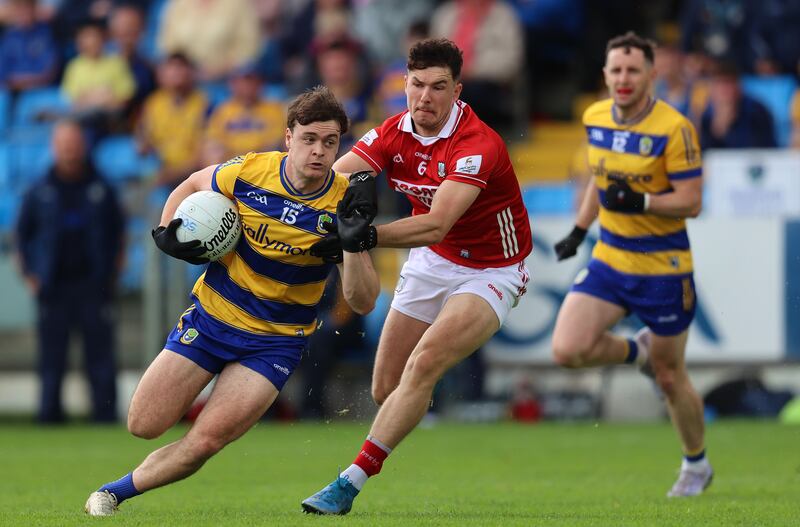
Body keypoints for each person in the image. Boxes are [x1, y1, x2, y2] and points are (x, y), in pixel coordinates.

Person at [83, 86, 380, 516]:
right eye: (310, 139)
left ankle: (112, 494)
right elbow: (192, 181)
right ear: (288, 138)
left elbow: (364, 300)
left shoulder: (343, 202)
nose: (319, 151)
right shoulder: (249, 171)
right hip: (212, 320)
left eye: (330, 142)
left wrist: (353, 245)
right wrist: (168, 230)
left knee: (207, 440)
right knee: (143, 424)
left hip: (274, 342)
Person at [301, 38, 532, 515]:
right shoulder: (390, 131)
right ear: (403, 84)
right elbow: (332, 180)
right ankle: (408, 420)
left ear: (457, 91)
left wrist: (361, 236)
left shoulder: (477, 145)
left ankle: (348, 484)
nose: (425, 97)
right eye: (417, 84)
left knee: (423, 364)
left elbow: (435, 222)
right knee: (387, 389)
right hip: (433, 261)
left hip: (492, 268)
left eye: (438, 87)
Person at [550, 32, 712, 498]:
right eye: (616, 70)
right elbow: (601, 185)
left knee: (670, 376)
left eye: (633, 70)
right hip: (610, 258)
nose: (623, 79)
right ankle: (636, 352)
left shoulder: (675, 128)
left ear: (651, 76)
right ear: (605, 76)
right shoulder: (594, 116)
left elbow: (693, 201)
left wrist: (641, 198)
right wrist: (581, 230)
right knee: (567, 350)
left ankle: (696, 464)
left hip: (663, 267)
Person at [14, 119, 125, 424]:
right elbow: (22, 238)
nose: (70, 149)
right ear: (54, 147)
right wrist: (31, 276)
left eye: (74, 142)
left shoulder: (102, 186)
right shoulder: (39, 190)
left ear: (83, 144)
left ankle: (104, 417)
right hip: (53, 285)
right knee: (52, 358)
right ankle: (49, 417)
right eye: (64, 143)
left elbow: (119, 233)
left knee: (100, 357)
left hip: (94, 284)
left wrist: (113, 271)